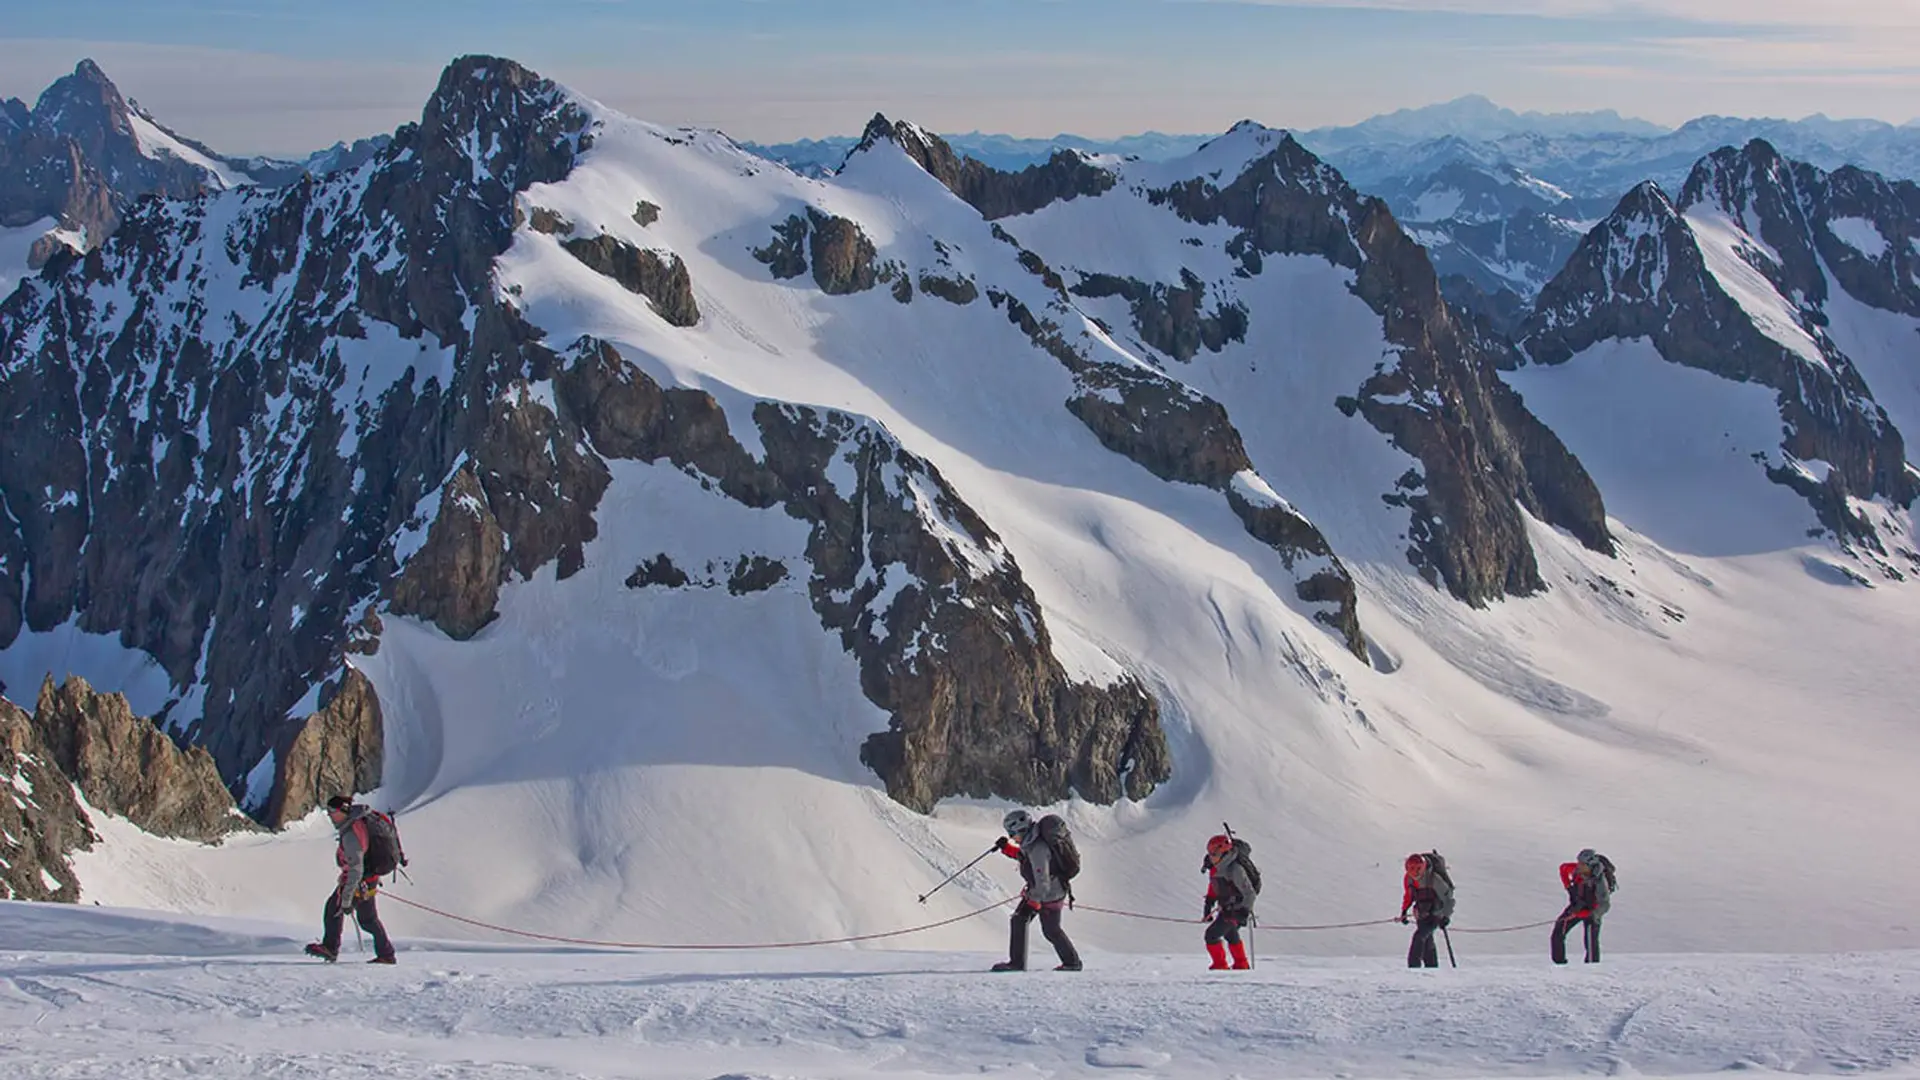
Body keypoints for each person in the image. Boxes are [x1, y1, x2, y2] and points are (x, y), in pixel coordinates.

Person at [305, 795, 400, 964]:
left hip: (359, 880)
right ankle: (386, 953)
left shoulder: (351, 833)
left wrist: (347, 899)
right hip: (369, 878)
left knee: (334, 909)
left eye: (332, 811)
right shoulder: (359, 823)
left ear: (342, 811)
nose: (330, 815)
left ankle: (330, 947)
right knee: (368, 920)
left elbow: (356, 868)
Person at [991, 809, 1082, 972]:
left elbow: (1043, 882)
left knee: (1021, 920)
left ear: (1020, 829)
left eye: (1012, 834)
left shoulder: (1037, 848)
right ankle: (1072, 962)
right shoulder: (1032, 842)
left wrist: (1033, 900)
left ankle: (1017, 964)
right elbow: (1025, 857)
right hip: (1051, 891)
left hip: (1047, 894)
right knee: (1050, 930)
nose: (1012, 838)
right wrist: (1006, 848)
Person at [1201, 834, 1257, 970]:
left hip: (1236, 910)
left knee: (1211, 935)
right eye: (1210, 853)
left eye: (1214, 854)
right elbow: (1214, 886)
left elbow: (1249, 893)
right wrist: (1208, 904)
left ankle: (1220, 965)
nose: (1211, 857)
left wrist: (1243, 912)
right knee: (1230, 934)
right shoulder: (1216, 867)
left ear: (1224, 853)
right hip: (1226, 908)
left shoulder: (1235, 869)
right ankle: (1241, 964)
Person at [1551, 848, 1613, 964]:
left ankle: (1592, 968)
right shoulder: (1577, 870)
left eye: (1582, 864)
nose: (1579, 866)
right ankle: (1559, 964)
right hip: (1577, 906)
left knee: (1590, 941)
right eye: (1579, 862)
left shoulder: (1600, 881)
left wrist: (1590, 914)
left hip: (1593, 912)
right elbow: (1563, 868)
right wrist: (1568, 887)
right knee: (1559, 928)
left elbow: (1604, 904)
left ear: (1590, 865)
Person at [1398, 852, 1455, 968]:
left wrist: (1446, 916)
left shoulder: (1434, 879)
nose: (1415, 873)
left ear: (1423, 867)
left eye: (1418, 869)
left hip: (1436, 914)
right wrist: (1404, 911)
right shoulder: (1408, 879)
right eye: (1411, 869)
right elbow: (1409, 895)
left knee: (1419, 937)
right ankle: (1432, 968)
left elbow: (1448, 899)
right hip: (1421, 914)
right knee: (1427, 940)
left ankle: (1413, 967)